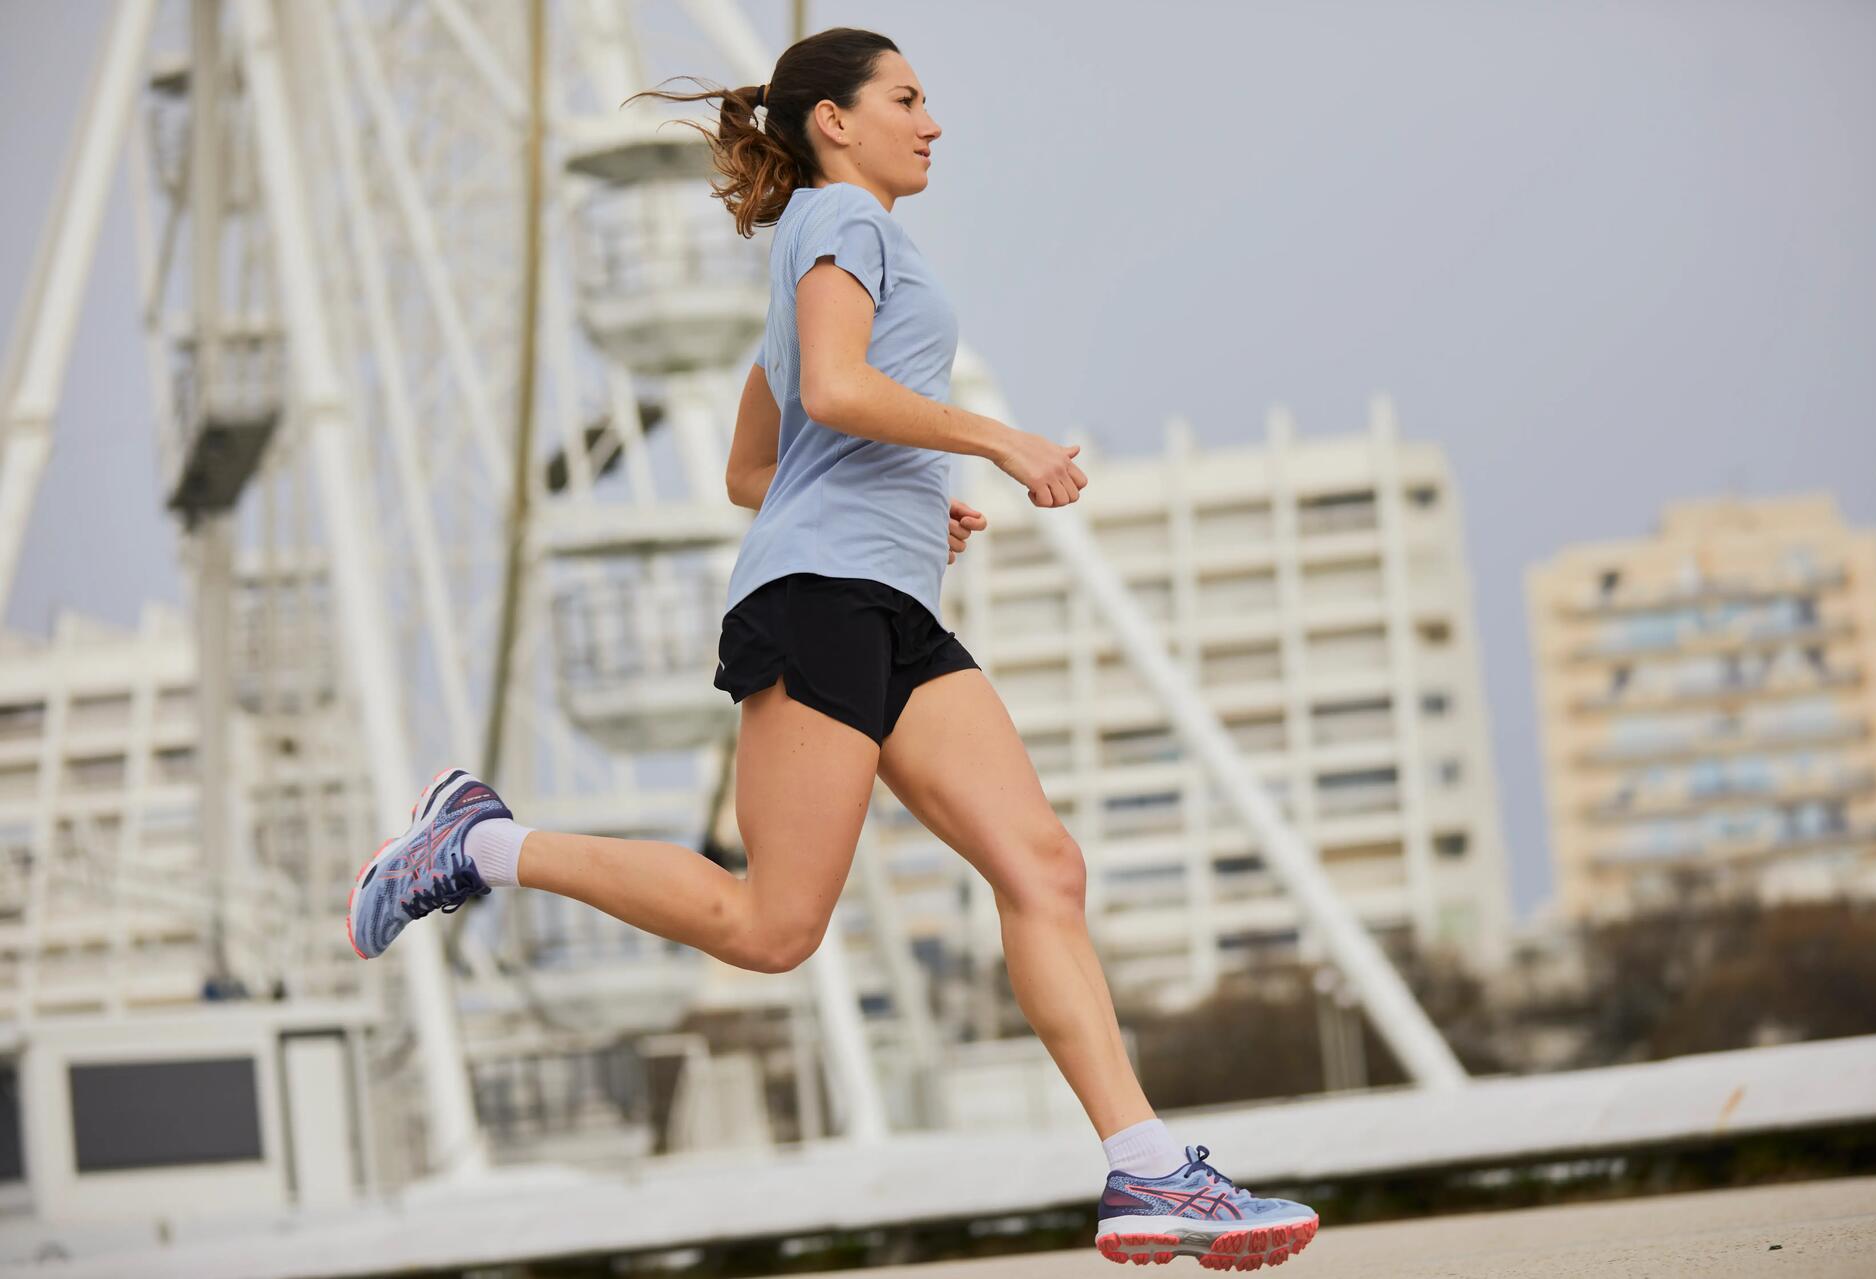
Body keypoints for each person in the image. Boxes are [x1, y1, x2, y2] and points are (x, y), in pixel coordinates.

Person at [346, 26, 1316, 1270]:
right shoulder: (841, 225)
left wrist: (918, 494)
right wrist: (996, 443)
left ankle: (1148, 1172)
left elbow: (766, 460)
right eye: (908, 98)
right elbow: (842, 389)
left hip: (890, 601)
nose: (935, 121)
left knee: (1043, 866)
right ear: (833, 123)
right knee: (771, 927)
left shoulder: (842, 245)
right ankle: (477, 840)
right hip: (820, 600)